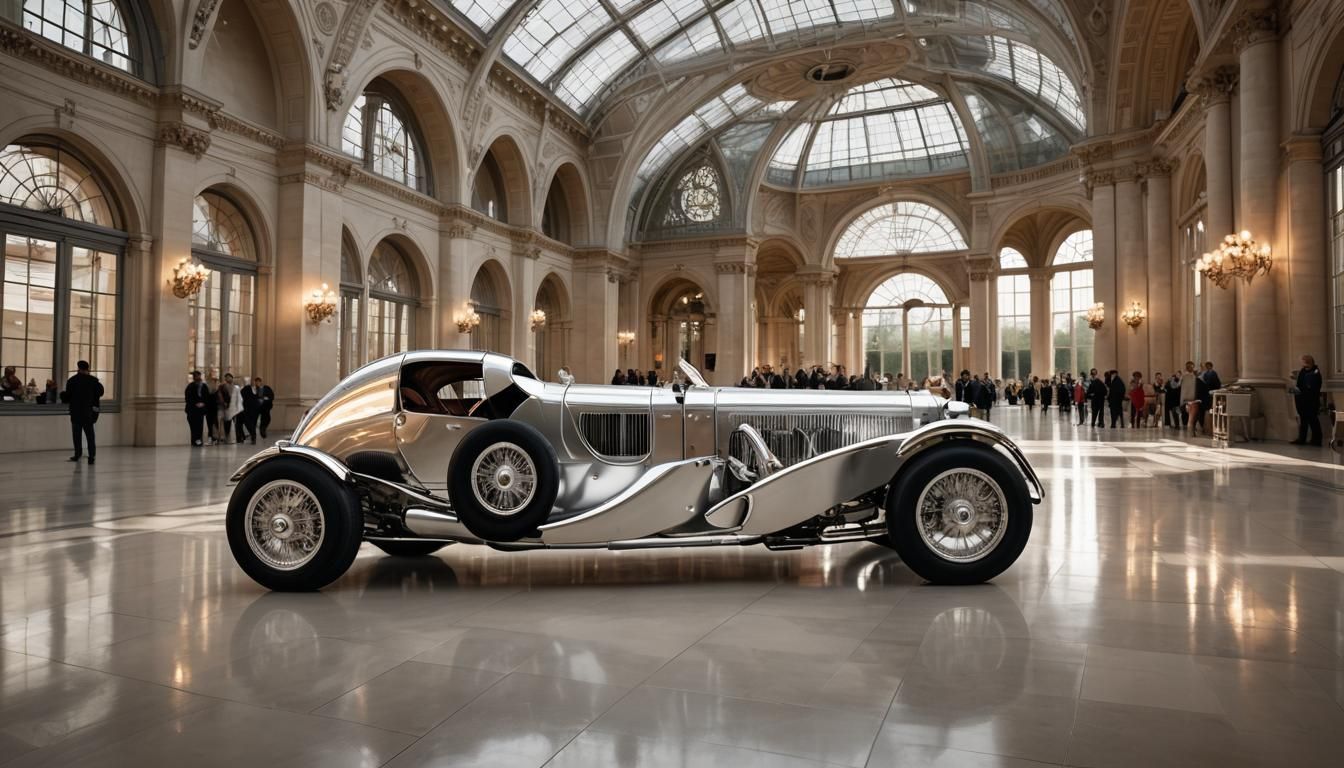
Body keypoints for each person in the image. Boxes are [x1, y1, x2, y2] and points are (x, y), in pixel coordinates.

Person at [66, 360, 103, 464]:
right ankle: (92, 456)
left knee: (76, 435)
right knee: (90, 435)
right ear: (87, 369)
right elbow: (100, 392)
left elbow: (67, 396)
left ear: (78, 368)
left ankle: (77, 454)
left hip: (76, 412)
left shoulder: (72, 380)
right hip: (88, 413)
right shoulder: (93, 381)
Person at [1291, 354, 1323, 446]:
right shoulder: (1303, 371)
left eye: (1303, 361)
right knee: (1303, 421)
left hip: (1311, 401)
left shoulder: (1316, 372)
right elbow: (1300, 384)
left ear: (1308, 362)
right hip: (1302, 400)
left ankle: (1316, 440)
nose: (1302, 364)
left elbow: (1313, 387)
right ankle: (1301, 439)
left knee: (1313, 420)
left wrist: (1303, 389)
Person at [185, 371, 211, 446]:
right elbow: (188, 398)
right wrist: (195, 404)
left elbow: (207, 397)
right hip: (192, 410)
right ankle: (195, 440)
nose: (197, 378)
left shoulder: (204, 386)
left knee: (199, 425)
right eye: (196, 376)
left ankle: (198, 440)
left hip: (200, 410)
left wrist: (203, 403)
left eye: (198, 376)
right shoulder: (190, 386)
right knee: (193, 426)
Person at [223, 373, 243, 441]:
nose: (228, 379)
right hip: (227, 408)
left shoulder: (236, 387)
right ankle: (227, 436)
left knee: (237, 424)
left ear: (232, 378)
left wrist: (239, 407)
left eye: (229, 377)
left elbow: (239, 398)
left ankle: (239, 438)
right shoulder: (223, 387)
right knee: (227, 424)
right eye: (226, 378)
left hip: (236, 408)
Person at [215, 376, 234, 443]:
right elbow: (220, 397)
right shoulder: (222, 388)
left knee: (225, 423)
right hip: (222, 407)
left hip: (225, 408)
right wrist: (224, 403)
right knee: (223, 423)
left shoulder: (228, 387)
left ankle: (223, 437)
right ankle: (222, 437)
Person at [1179, 361, 1198, 429]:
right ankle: (1184, 424)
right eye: (1189, 366)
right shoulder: (1183, 375)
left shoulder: (1195, 376)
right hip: (1185, 396)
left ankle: (1192, 424)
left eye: (1191, 366)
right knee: (1184, 411)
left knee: (1193, 411)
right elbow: (1179, 384)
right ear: (1186, 367)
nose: (1190, 368)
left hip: (1193, 395)